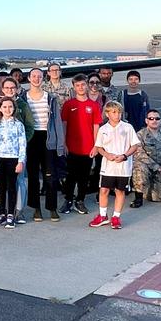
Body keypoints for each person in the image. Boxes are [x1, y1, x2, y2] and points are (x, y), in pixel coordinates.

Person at [0, 77, 35, 223]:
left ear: (17, 88)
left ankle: (17, 212)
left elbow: (29, 126)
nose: (10, 90)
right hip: (0, 155)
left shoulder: (23, 106)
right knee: (2, 186)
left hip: (15, 155)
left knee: (17, 183)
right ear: (2, 89)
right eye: (6, 88)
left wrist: (20, 146)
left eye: (12, 88)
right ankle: (3, 212)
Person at [90, 101, 140, 230]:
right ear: (107, 113)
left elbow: (134, 145)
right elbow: (99, 147)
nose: (117, 115)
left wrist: (124, 156)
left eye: (119, 112)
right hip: (108, 167)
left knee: (120, 191)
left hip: (123, 168)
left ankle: (116, 217)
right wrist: (107, 155)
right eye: (113, 112)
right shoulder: (103, 129)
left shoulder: (127, 127)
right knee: (104, 190)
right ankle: (102, 216)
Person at [25, 68, 65, 222]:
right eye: (33, 76)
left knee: (51, 176)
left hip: (47, 138)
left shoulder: (50, 98)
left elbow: (57, 123)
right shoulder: (23, 98)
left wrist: (60, 144)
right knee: (33, 176)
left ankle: (52, 207)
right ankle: (36, 208)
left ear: (43, 78)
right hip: (31, 138)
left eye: (39, 76)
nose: (36, 79)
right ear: (29, 78)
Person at [60, 74, 102, 215]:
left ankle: (80, 200)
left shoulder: (94, 105)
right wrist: (64, 143)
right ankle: (68, 200)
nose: (81, 87)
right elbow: (64, 125)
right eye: (77, 85)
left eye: (83, 85)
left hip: (87, 147)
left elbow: (96, 126)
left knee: (84, 177)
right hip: (71, 147)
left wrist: (96, 146)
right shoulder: (68, 104)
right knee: (71, 175)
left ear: (87, 86)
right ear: (74, 87)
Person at [0, 97, 26, 229]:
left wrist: (21, 161)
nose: (7, 109)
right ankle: (1, 213)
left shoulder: (18, 125)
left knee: (12, 187)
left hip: (13, 158)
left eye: (10, 107)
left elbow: (22, 144)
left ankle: (11, 214)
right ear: (0, 108)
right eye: (4, 107)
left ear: (14, 108)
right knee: (1, 187)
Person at [131, 109, 161, 207]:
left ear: (160, 121)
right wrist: (155, 166)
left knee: (159, 198)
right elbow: (139, 154)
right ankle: (138, 197)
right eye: (151, 118)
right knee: (139, 167)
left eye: (157, 118)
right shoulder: (140, 135)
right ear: (146, 121)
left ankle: (149, 189)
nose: (154, 121)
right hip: (147, 167)